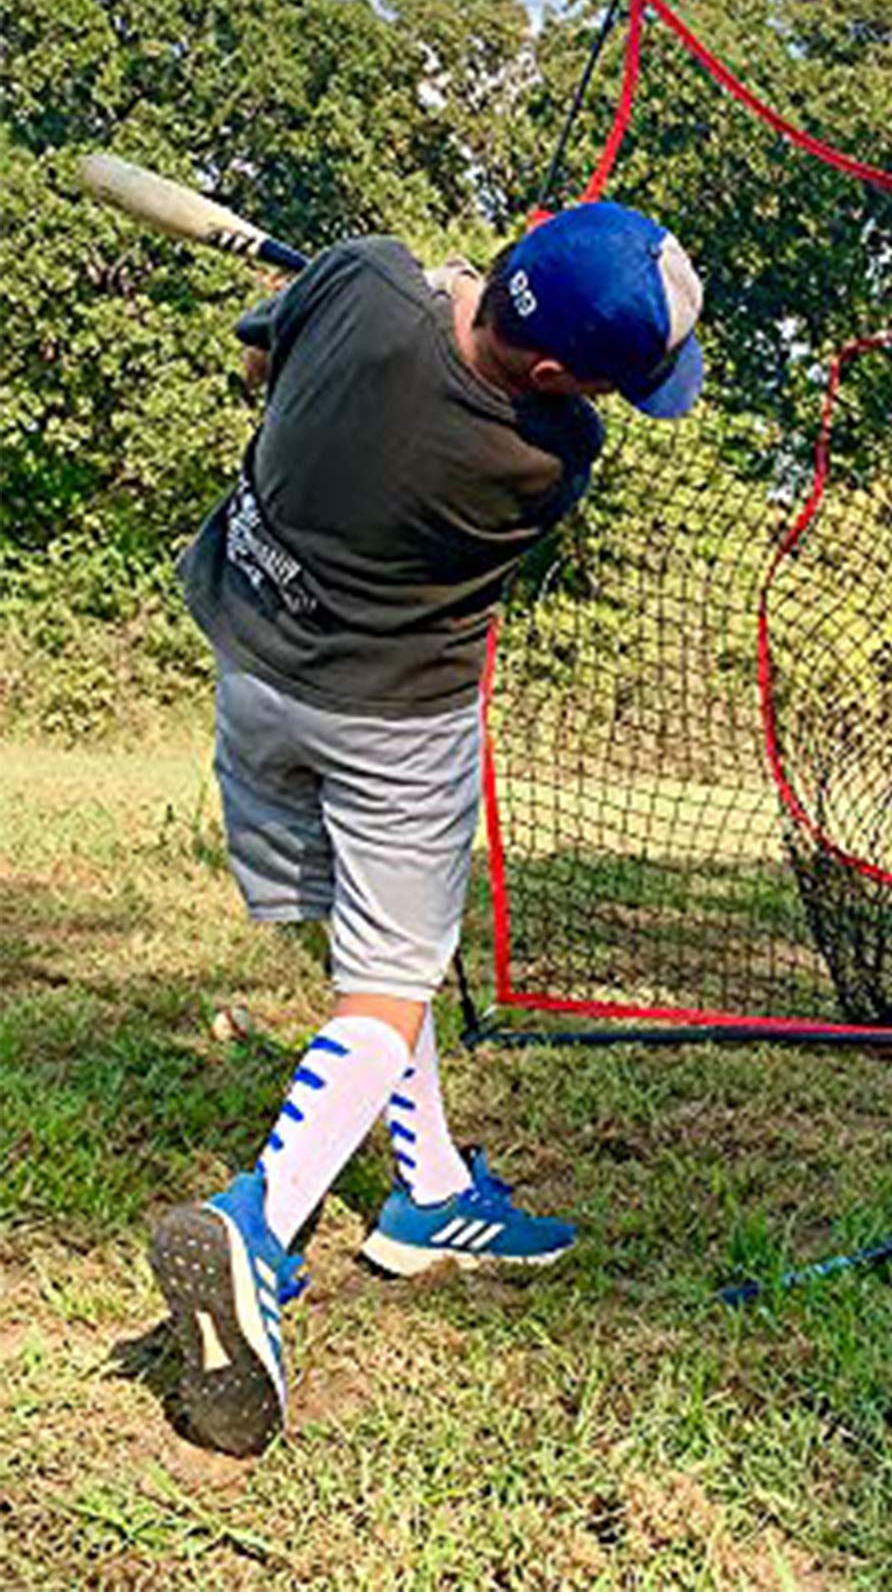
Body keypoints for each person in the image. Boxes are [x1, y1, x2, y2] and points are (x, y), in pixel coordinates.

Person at [147, 200, 704, 1457]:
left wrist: (416, 292)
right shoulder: (549, 456)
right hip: (391, 720)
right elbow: (483, 380)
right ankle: (256, 1221)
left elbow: (268, 359)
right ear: (554, 376)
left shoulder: (359, 278)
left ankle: (431, 1190)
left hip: (253, 674)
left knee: (372, 967)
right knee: (389, 985)